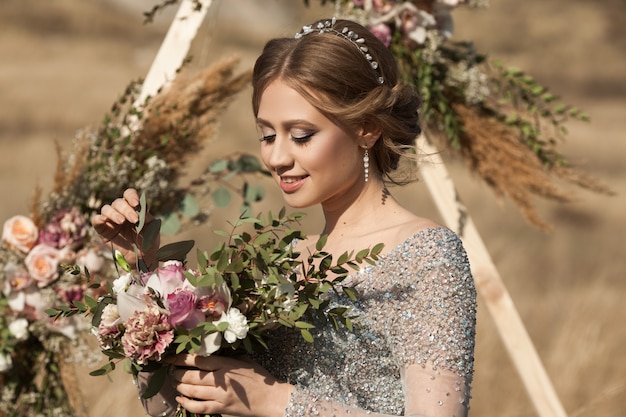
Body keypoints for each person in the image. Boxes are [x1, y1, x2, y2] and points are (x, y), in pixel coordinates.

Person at [92, 17, 476, 417]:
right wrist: (144, 272)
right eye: (268, 135)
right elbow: (173, 411)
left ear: (366, 128)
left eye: (301, 135)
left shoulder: (428, 257)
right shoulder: (283, 261)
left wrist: (275, 400)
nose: (276, 158)